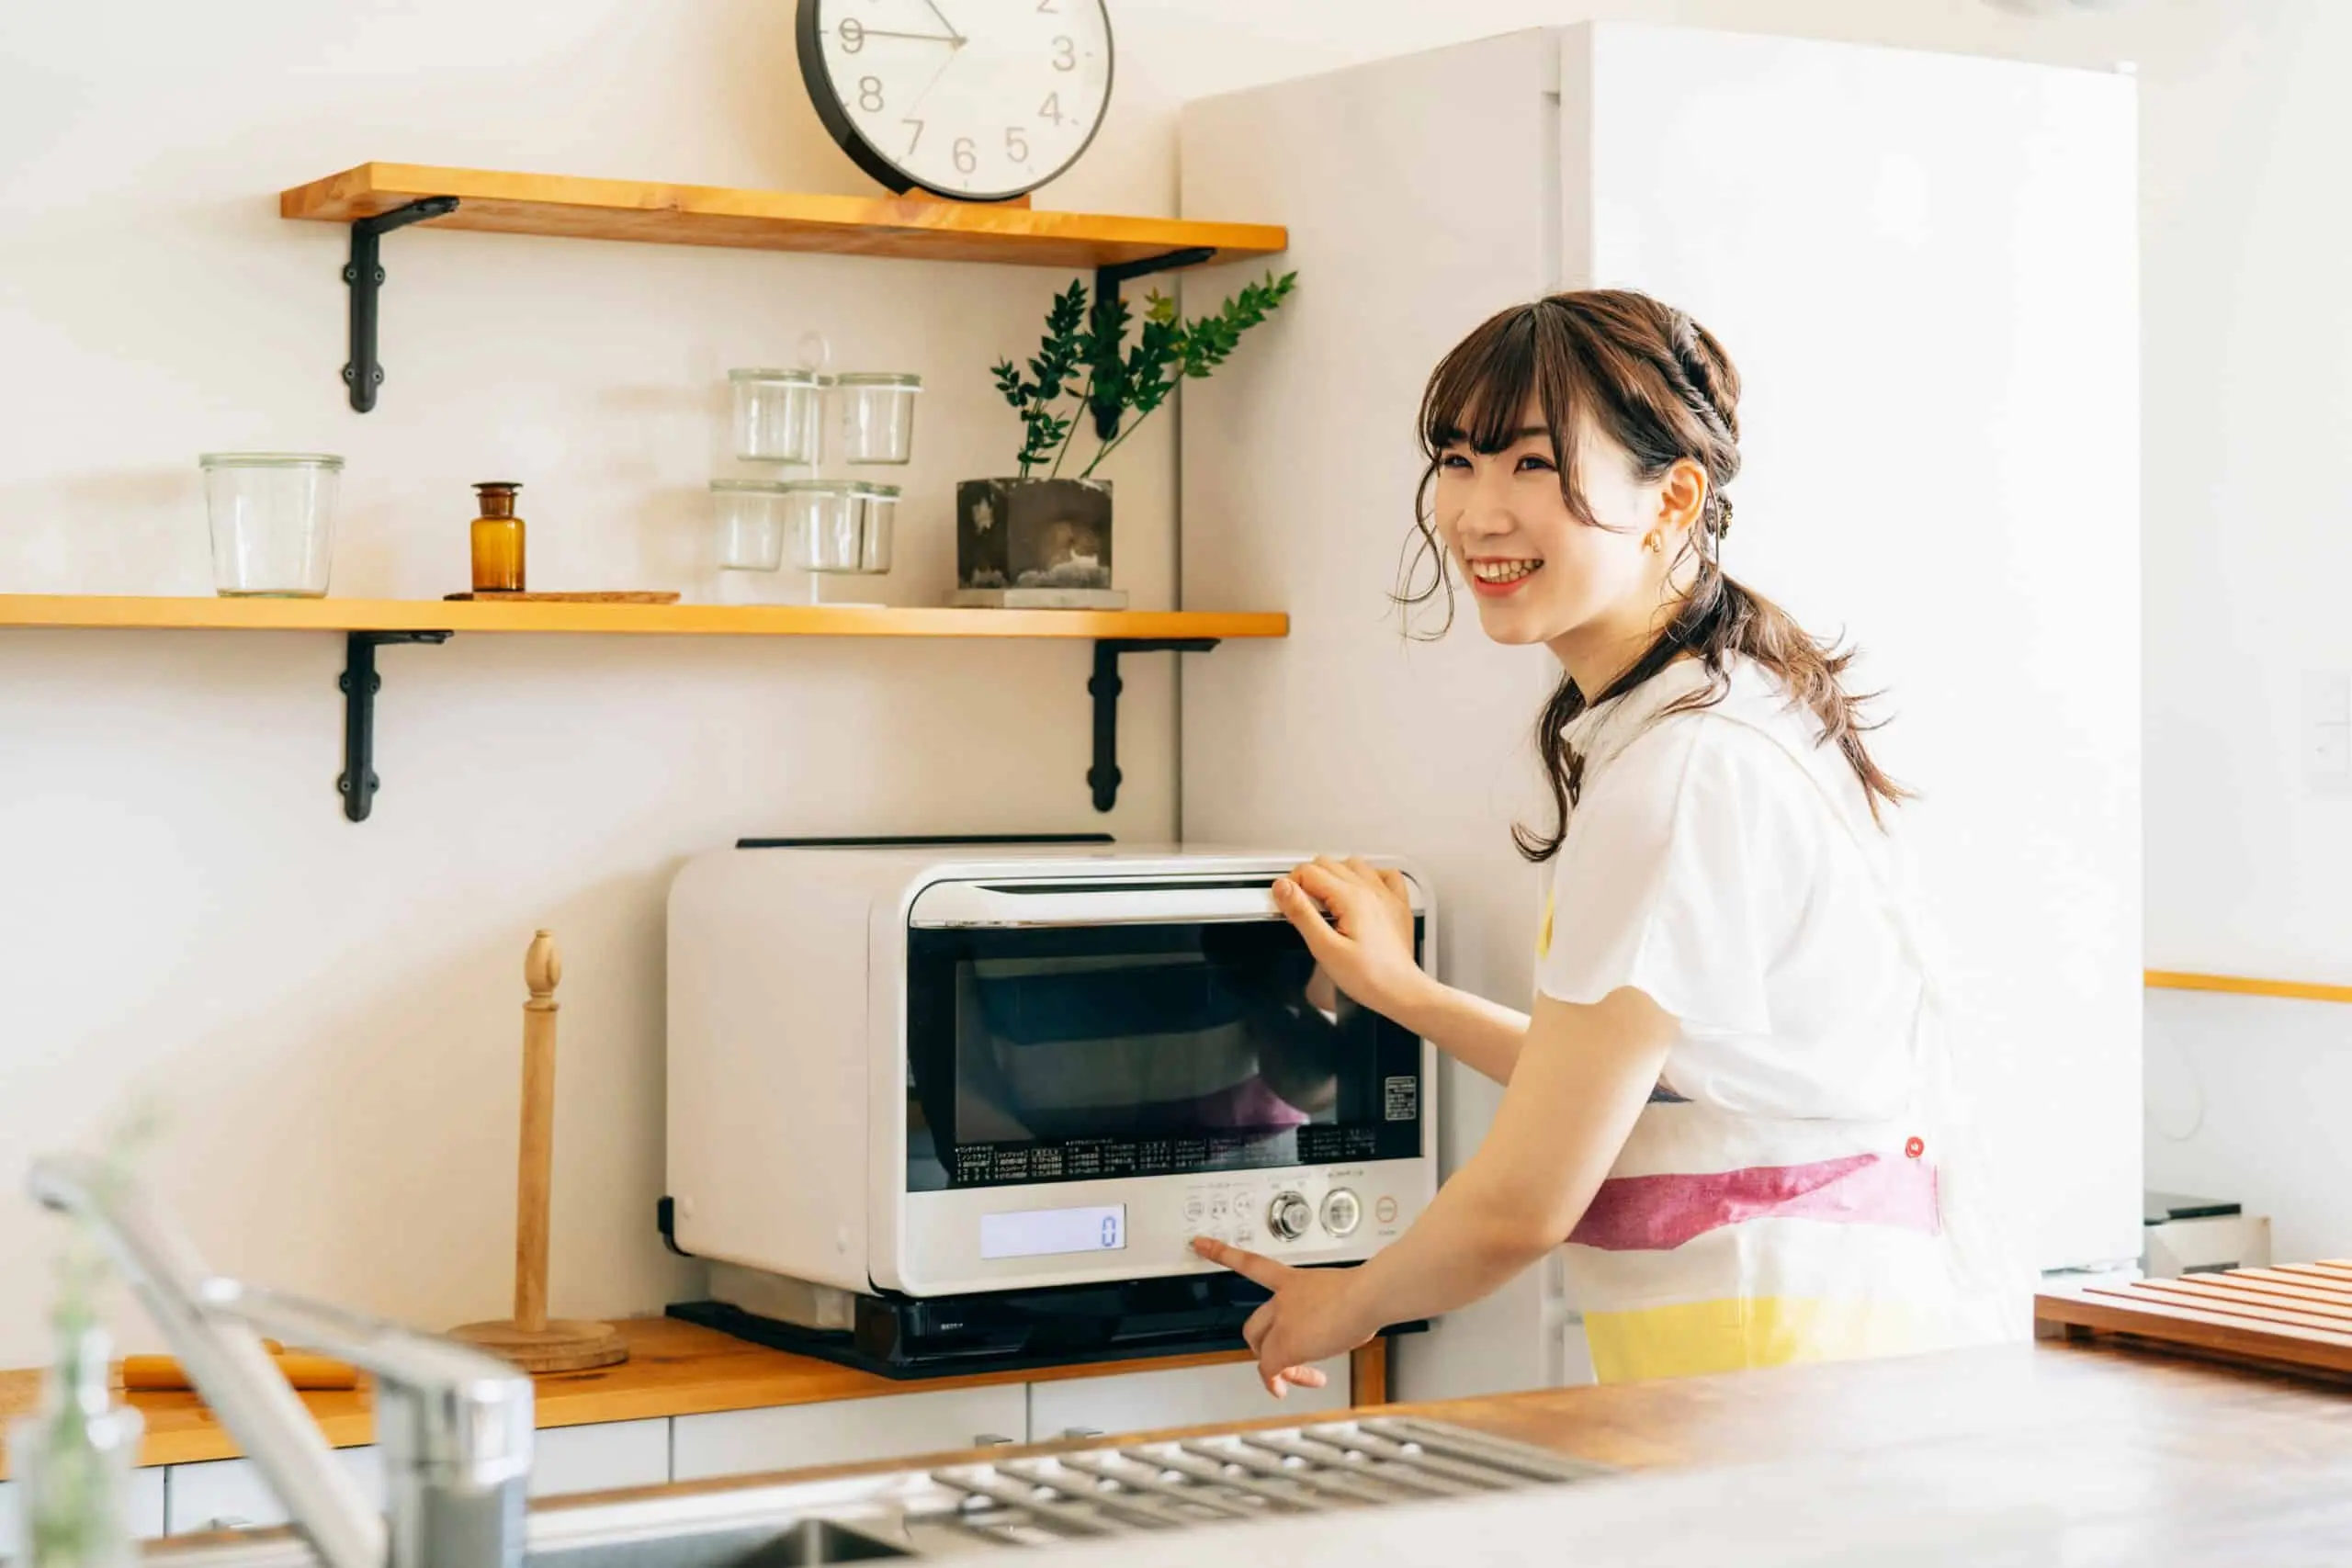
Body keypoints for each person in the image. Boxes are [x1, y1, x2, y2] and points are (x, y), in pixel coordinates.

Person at [1192, 288, 2027, 1393]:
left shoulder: (1680, 770)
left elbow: (1525, 1201)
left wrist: (1337, 1308)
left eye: (1532, 466)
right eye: (1458, 460)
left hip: (1784, 1380)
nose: (1478, 514)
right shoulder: (1718, 712)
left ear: (1673, 497)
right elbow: (1643, 1079)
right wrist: (1402, 992)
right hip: (1810, 1364)